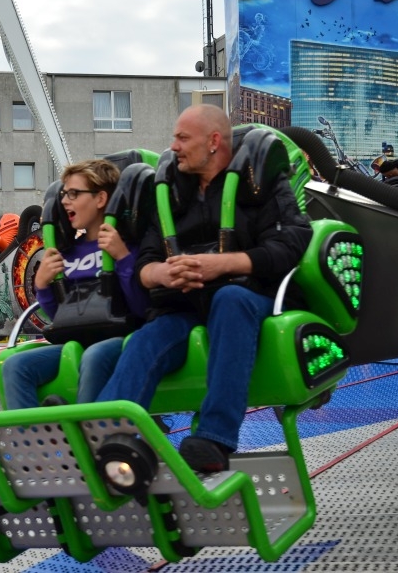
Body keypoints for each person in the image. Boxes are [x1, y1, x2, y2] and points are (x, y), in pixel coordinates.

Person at [94, 104, 312, 473]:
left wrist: (221, 264)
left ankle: (214, 439)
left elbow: (291, 243)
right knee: (149, 338)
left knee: (229, 298)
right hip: (185, 304)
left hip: (252, 297)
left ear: (213, 142)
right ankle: (104, 439)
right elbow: (146, 262)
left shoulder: (260, 184)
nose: (173, 147)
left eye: (182, 138)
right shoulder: (170, 194)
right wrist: (162, 274)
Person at [1, 159, 149, 409]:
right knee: (15, 366)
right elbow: (61, 317)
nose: (65, 202)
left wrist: (123, 258)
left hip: (122, 339)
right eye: (64, 195)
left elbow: (141, 306)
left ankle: (85, 428)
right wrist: (43, 285)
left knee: (94, 356)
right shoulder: (68, 253)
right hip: (77, 340)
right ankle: (34, 433)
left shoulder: (127, 246)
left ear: (100, 199)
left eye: (74, 194)